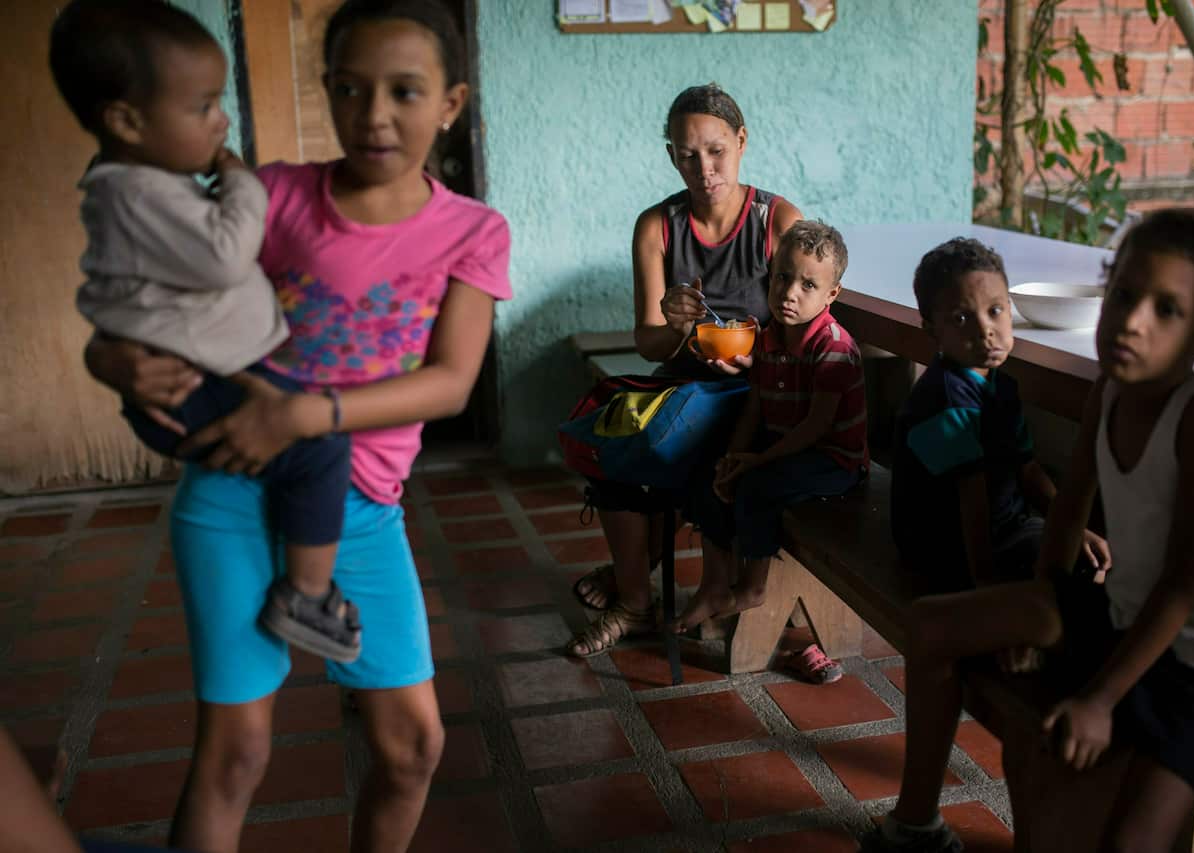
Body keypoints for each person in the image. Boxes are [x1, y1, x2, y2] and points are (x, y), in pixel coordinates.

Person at [81, 1, 511, 850]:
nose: (374, 113)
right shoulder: (270, 196)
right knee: (235, 752)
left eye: (405, 91)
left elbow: (452, 383)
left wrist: (306, 414)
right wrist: (109, 359)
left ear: (451, 103)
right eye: (350, 89)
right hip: (232, 493)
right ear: (327, 92)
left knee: (414, 744)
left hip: (361, 504)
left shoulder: (472, 229)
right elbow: (140, 293)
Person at [860, 208, 1194, 853]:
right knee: (932, 626)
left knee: (1131, 837)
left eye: (1167, 310)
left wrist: (1101, 699)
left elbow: (1186, 579)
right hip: (1116, 613)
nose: (1131, 322)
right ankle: (914, 828)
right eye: (1125, 295)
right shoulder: (1111, 390)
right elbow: (1067, 512)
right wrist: (1034, 607)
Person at [49, 0, 359, 664]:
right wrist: (242, 184)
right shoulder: (138, 191)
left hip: (197, 374)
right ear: (126, 120)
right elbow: (225, 253)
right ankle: (306, 593)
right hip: (192, 384)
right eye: (203, 107)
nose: (222, 121)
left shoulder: (143, 185)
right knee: (322, 448)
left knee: (305, 445)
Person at [565, 83, 802, 657]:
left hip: (758, 390)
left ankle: (637, 582)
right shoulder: (657, 226)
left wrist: (760, 353)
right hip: (686, 386)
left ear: (741, 143)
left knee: (679, 452)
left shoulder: (777, 220)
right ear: (671, 154)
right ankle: (635, 601)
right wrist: (674, 324)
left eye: (717, 151)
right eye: (688, 154)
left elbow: (805, 326)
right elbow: (649, 342)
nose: (705, 168)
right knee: (615, 441)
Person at [677, 221, 867, 649]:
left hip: (833, 461)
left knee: (759, 485)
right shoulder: (768, 339)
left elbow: (817, 429)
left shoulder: (833, 348)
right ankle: (715, 583)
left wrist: (757, 461)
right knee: (711, 474)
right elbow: (756, 405)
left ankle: (752, 587)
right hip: (785, 449)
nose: (789, 293)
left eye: (808, 285)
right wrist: (733, 455)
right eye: (783, 277)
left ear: (831, 295)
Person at [890, 237, 1109, 592]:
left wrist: (1069, 528)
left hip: (1004, 527)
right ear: (932, 330)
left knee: (1085, 550)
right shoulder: (945, 402)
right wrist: (986, 589)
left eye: (995, 311)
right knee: (1071, 574)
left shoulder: (1000, 386)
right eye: (962, 318)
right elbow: (972, 503)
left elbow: (1027, 467)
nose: (984, 329)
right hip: (944, 548)